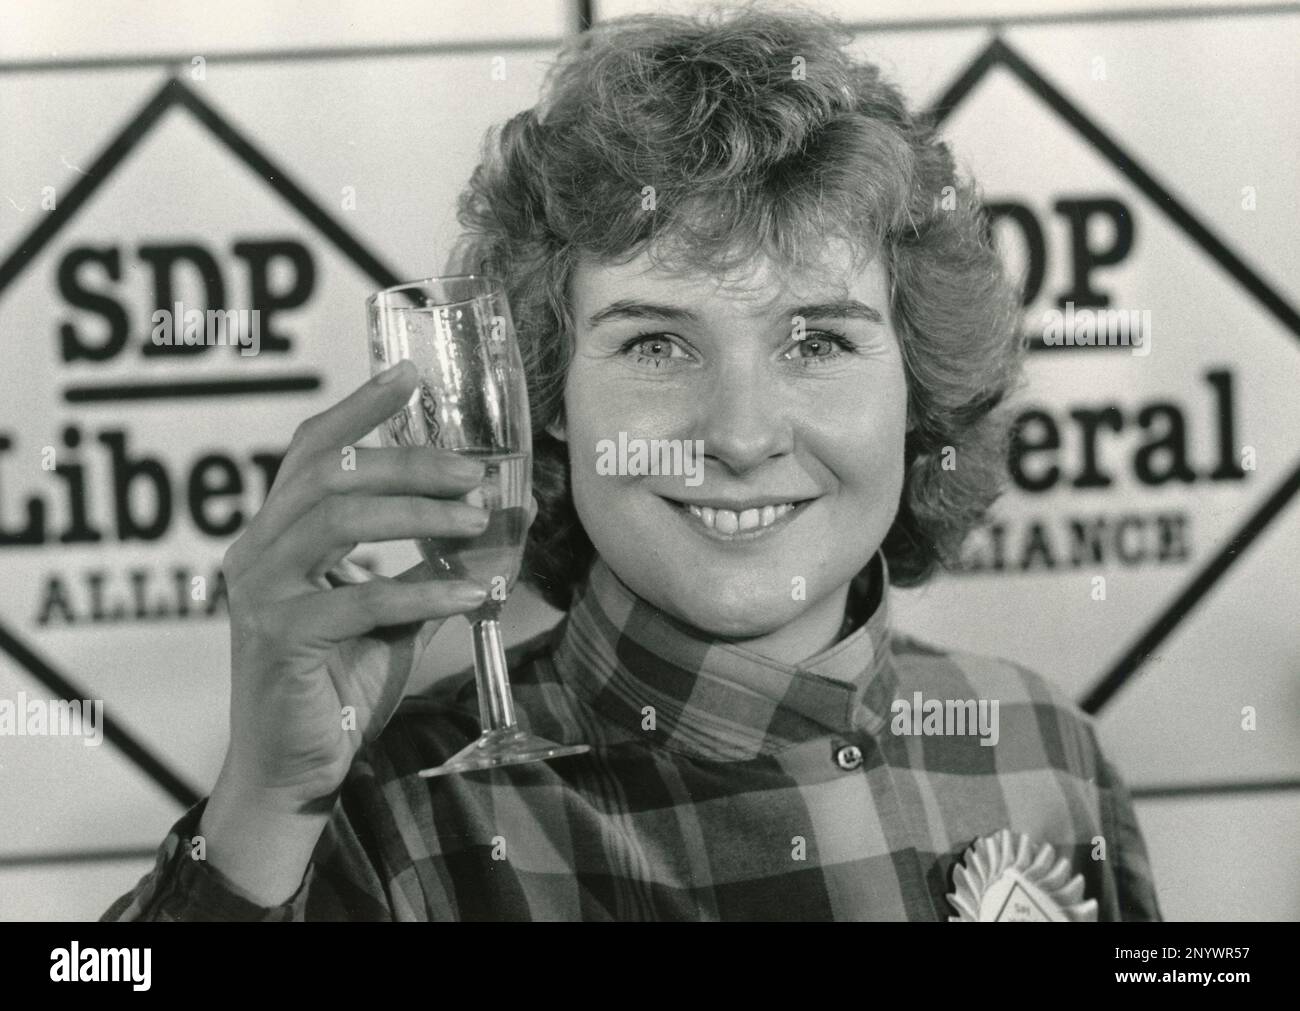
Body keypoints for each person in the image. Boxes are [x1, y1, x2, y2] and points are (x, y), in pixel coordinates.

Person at [103, 5, 1161, 922]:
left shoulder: (1043, 747)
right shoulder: (393, 815)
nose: (740, 435)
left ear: (917, 393)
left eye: (819, 342)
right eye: (655, 344)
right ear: (542, 394)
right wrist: (263, 806)